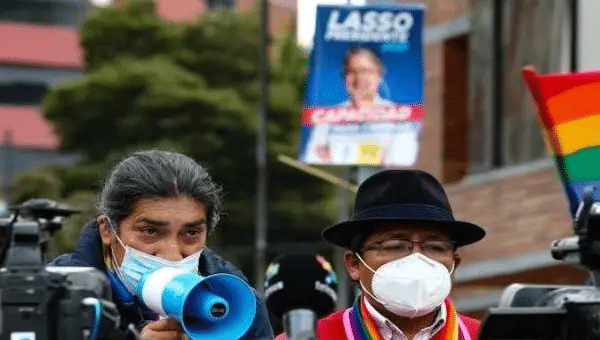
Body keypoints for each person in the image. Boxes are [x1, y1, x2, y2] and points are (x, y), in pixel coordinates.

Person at [50, 149, 274, 340]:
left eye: (192, 232)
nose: (172, 255)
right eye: (150, 232)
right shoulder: (53, 297)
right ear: (107, 230)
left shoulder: (237, 306)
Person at [277, 169, 485, 340]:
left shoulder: (484, 336)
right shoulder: (310, 338)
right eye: (394, 245)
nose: (416, 258)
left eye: (434, 246)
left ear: (454, 265)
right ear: (354, 265)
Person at [304, 47, 420, 166]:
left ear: (379, 75)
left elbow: (404, 158)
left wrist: (336, 153)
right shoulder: (329, 116)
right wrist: (378, 154)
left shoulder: (400, 116)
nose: (359, 78)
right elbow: (312, 156)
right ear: (344, 77)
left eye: (365, 71)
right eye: (351, 71)